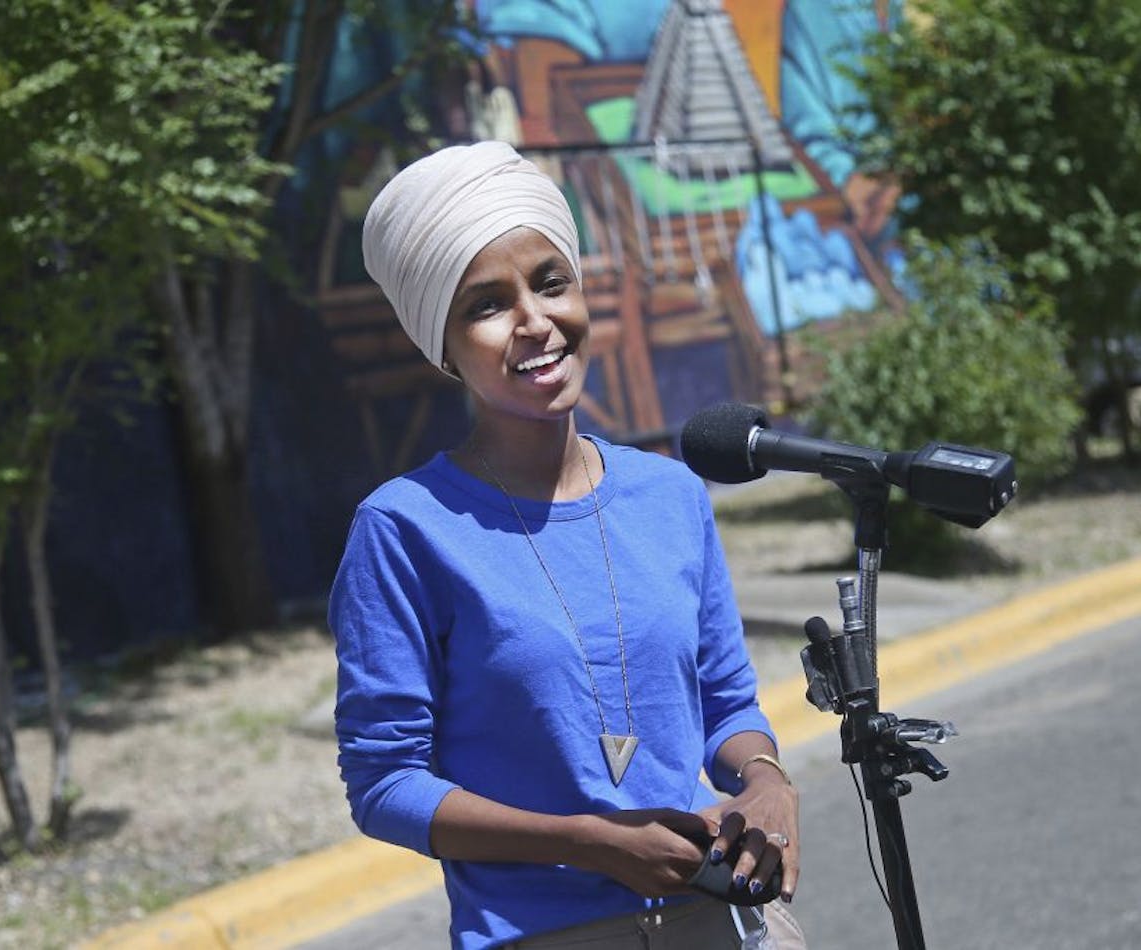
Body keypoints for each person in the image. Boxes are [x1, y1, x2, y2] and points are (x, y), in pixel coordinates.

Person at [331, 140, 805, 950]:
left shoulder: (671, 496)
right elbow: (386, 783)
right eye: (486, 305)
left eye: (552, 283)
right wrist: (589, 842)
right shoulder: (404, 529)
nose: (535, 321)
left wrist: (765, 780)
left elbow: (726, 703)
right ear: (442, 346)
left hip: (729, 923)